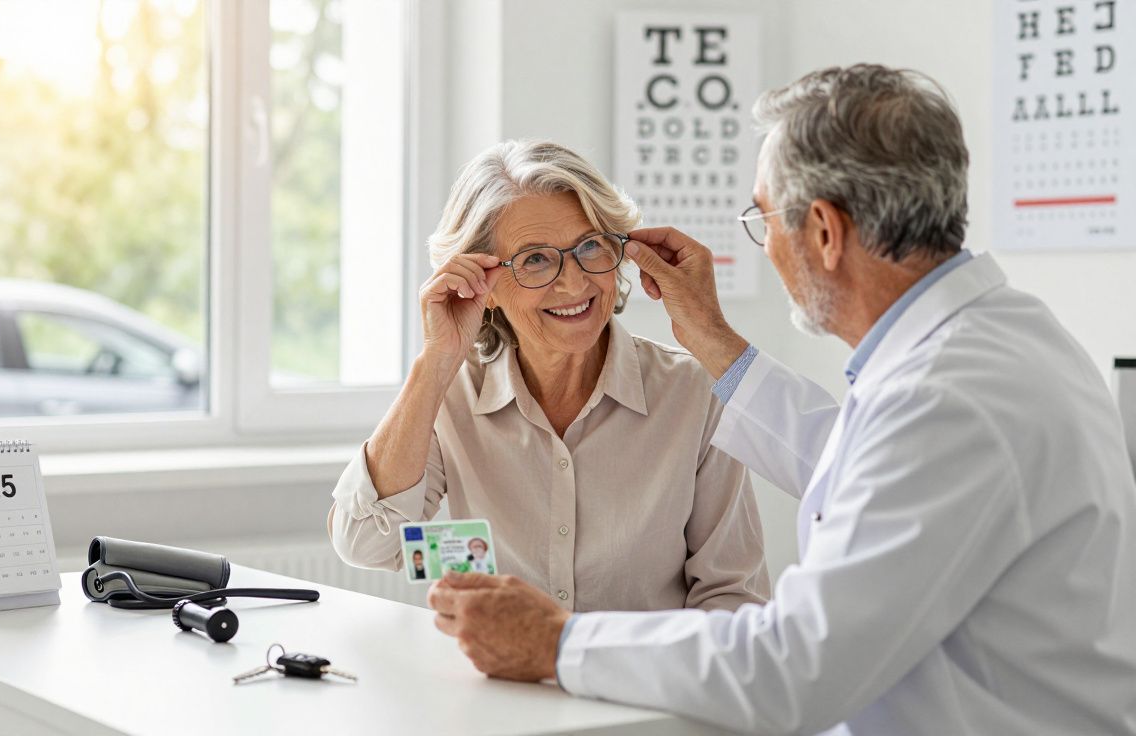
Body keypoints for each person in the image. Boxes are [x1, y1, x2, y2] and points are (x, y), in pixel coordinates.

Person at [427, 64, 1136, 734]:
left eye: (764, 218)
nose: (764, 244)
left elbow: (796, 666)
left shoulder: (947, 396)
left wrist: (559, 641)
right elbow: (861, 464)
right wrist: (712, 338)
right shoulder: (994, 343)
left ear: (824, 232)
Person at [328, 140, 770, 613]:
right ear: (484, 284)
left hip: (641, 684)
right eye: (535, 259)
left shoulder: (693, 392)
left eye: (590, 247)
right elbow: (363, 544)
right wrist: (435, 361)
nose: (574, 283)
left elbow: (732, 598)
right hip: (497, 686)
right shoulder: (450, 397)